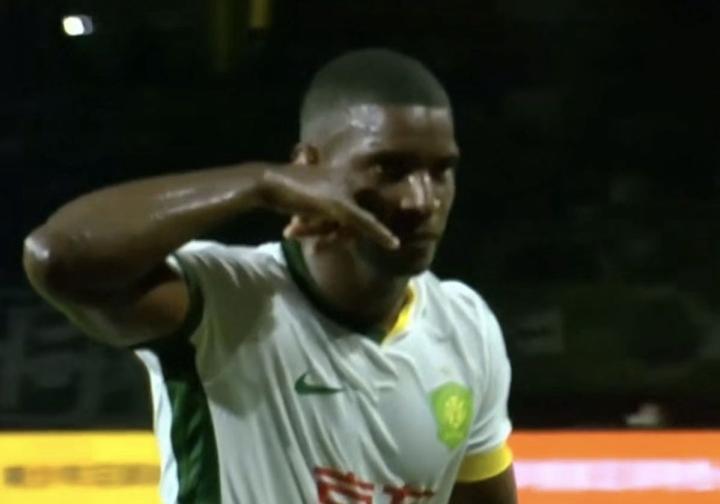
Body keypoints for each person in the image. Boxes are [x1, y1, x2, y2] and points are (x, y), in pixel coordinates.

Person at [23, 49, 517, 504]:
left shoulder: (465, 326)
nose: (422, 200)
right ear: (307, 168)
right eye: (389, 169)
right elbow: (57, 257)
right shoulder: (225, 296)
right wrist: (260, 183)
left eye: (441, 171)